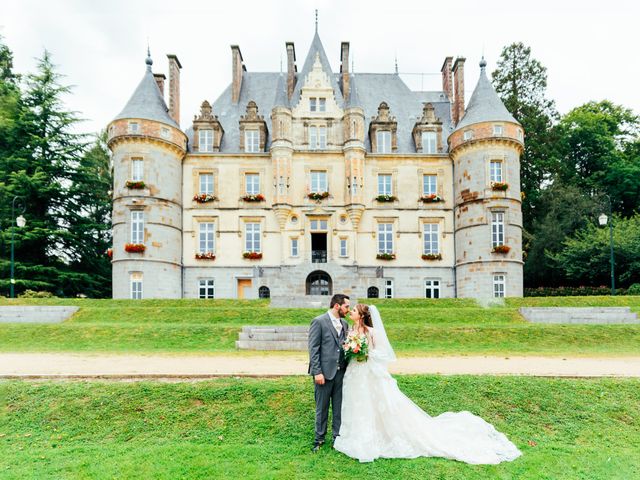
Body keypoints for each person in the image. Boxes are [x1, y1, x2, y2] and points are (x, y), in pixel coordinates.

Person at [333, 303, 522, 464]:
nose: (351, 313)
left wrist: (365, 353)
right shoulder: (351, 330)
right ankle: (358, 436)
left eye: (354, 311)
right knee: (359, 403)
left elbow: (384, 353)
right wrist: (352, 351)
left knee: (378, 404)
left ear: (362, 315)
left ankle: (378, 436)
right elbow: (348, 349)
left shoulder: (372, 332)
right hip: (355, 373)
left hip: (370, 372)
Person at [307, 294, 350, 452]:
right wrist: (317, 372)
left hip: (341, 373)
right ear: (337, 306)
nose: (348, 310)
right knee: (322, 407)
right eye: (346, 306)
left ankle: (336, 438)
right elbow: (314, 349)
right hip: (323, 374)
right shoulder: (319, 321)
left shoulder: (345, 324)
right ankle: (319, 439)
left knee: (339, 407)